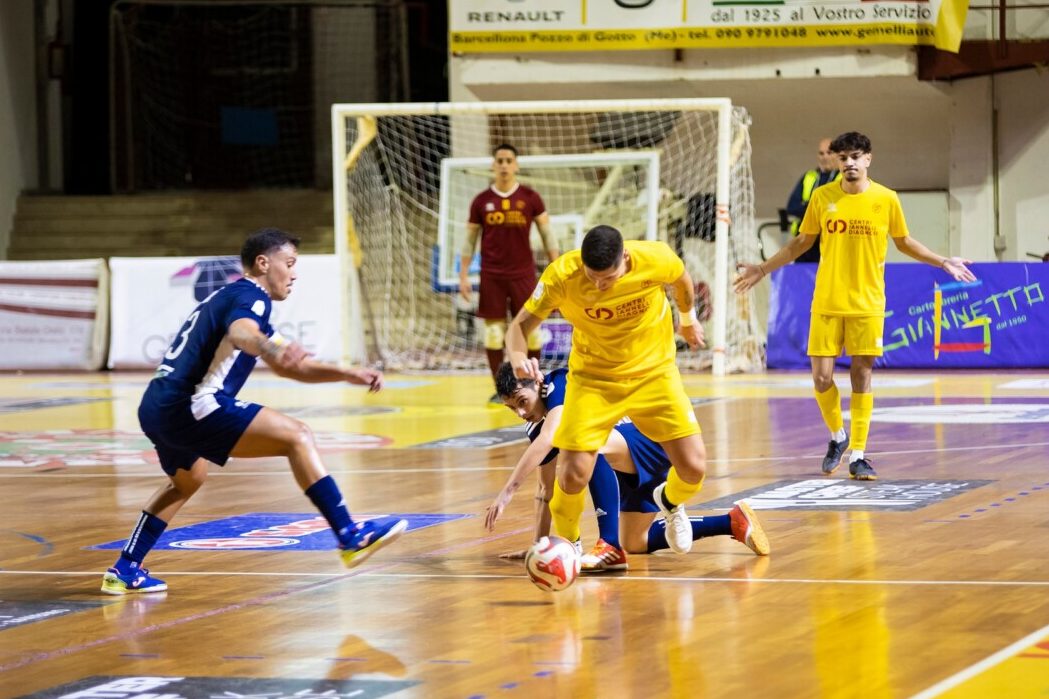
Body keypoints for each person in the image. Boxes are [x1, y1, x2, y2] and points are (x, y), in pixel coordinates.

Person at [101, 228, 407, 595]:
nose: (294, 274)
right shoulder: (252, 298)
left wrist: (348, 373)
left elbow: (291, 368)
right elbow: (243, 333)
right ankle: (349, 535)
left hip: (156, 407)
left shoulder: (235, 297)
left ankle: (125, 567)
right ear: (263, 263)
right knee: (298, 437)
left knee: (187, 480)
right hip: (192, 405)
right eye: (289, 263)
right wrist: (267, 346)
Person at [734, 132, 976, 480]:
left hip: (867, 302)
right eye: (843, 157)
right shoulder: (822, 197)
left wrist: (942, 262)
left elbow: (904, 242)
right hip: (828, 301)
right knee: (821, 378)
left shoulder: (886, 199)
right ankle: (837, 436)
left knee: (861, 375)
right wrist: (762, 268)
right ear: (836, 161)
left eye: (855, 157)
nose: (849, 163)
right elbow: (800, 243)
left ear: (868, 159)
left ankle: (859, 454)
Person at [505, 224, 706, 556]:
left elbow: (682, 281)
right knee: (571, 475)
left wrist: (687, 319)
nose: (599, 286)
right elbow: (520, 326)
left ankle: (668, 502)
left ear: (625, 257)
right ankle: (568, 547)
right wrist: (516, 357)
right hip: (594, 379)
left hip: (653, 374)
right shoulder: (562, 277)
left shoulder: (655, 258)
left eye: (608, 279)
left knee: (694, 469)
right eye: (592, 277)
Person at [484, 363, 770, 571]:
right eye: (512, 408)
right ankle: (731, 521)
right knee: (635, 541)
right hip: (624, 462)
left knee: (586, 443)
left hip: (646, 441)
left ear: (537, 381)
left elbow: (550, 438)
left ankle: (607, 544)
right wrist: (540, 547)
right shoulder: (535, 425)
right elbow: (545, 491)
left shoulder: (559, 383)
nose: (521, 412)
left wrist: (507, 491)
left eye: (522, 402)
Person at [459, 143, 559, 403]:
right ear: (493, 165)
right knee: (493, 334)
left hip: (523, 274)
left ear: (516, 165)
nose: (504, 165)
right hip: (491, 275)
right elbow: (469, 241)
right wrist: (462, 275)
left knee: (531, 331)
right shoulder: (481, 201)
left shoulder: (530, 197)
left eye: (508, 160)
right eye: (500, 160)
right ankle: (500, 389)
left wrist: (556, 268)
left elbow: (548, 235)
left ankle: (532, 383)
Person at [785, 138, 840, 264]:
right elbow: (792, 207)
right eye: (821, 153)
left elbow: (838, 209)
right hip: (804, 241)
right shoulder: (809, 176)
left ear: (837, 154)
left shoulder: (843, 179)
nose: (825, 157)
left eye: (829, 152)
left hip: (830, 242)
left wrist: (807, 206)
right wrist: (819, 207)